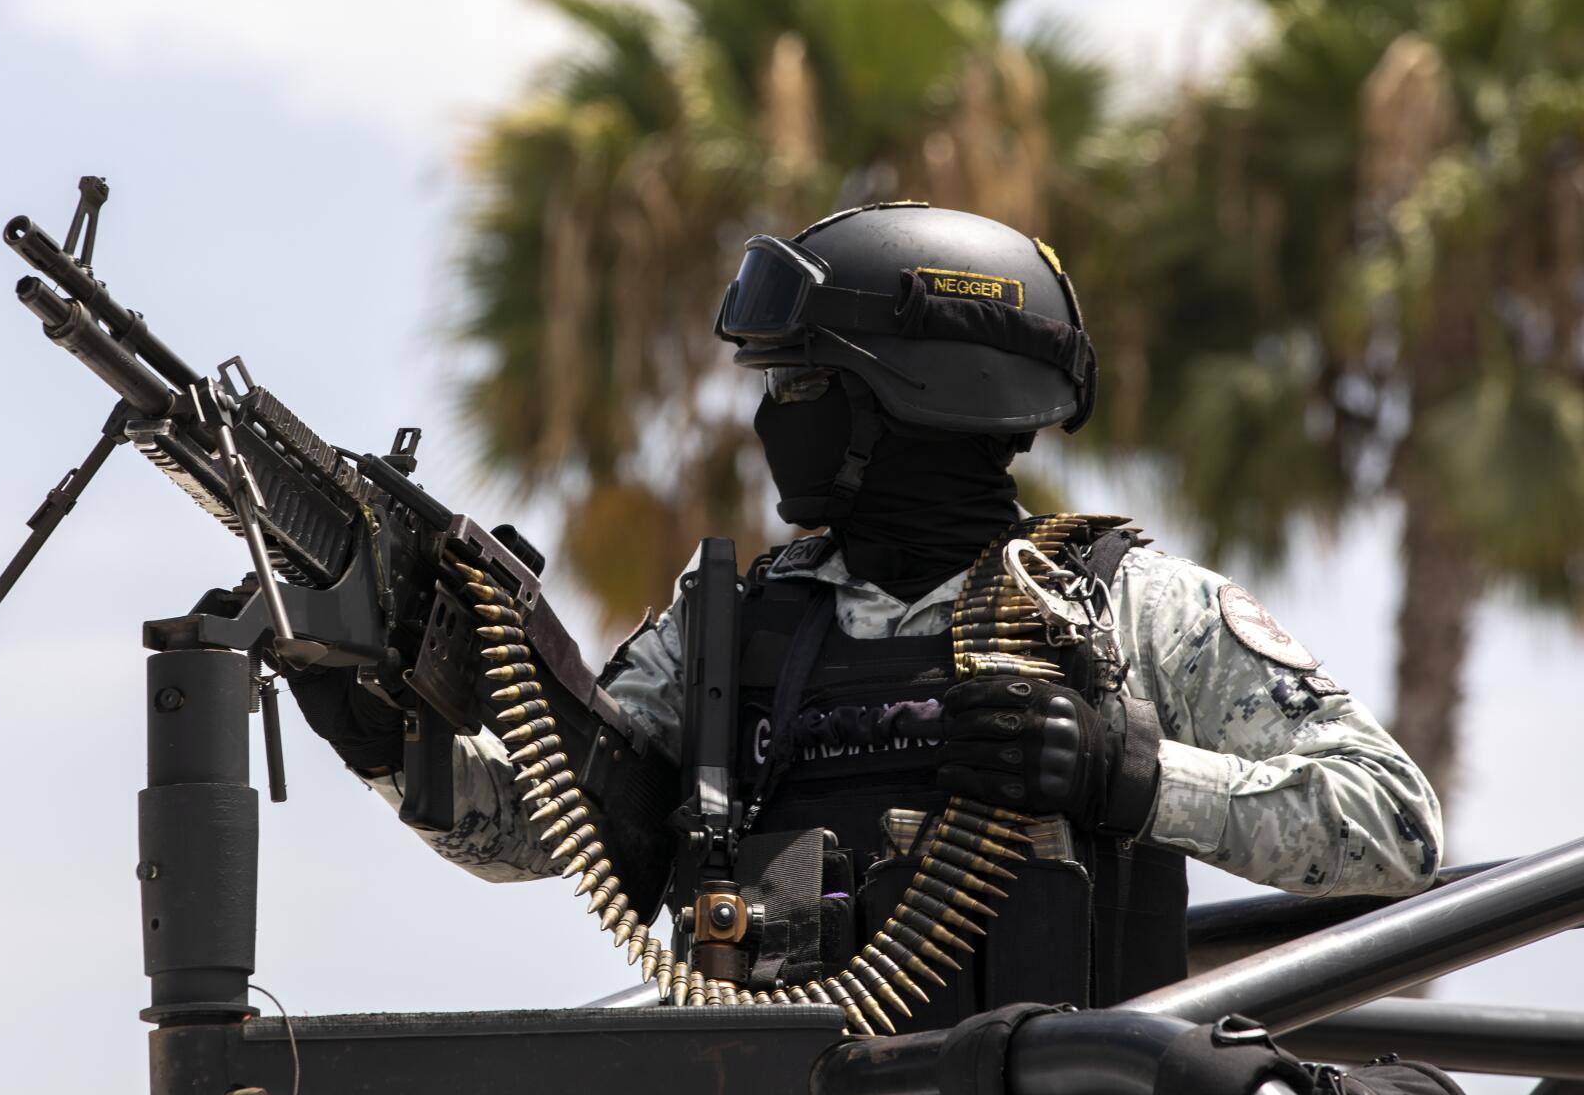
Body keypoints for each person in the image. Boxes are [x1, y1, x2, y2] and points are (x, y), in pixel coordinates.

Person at [292, 201, 1443, 1022]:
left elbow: (1391, 827)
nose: (771, 422)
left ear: (916, 394)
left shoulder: (1130, 609)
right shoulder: (726, 627)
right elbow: (564, 836)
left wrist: (1123, 772)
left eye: (801, 387)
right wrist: (394, 744)